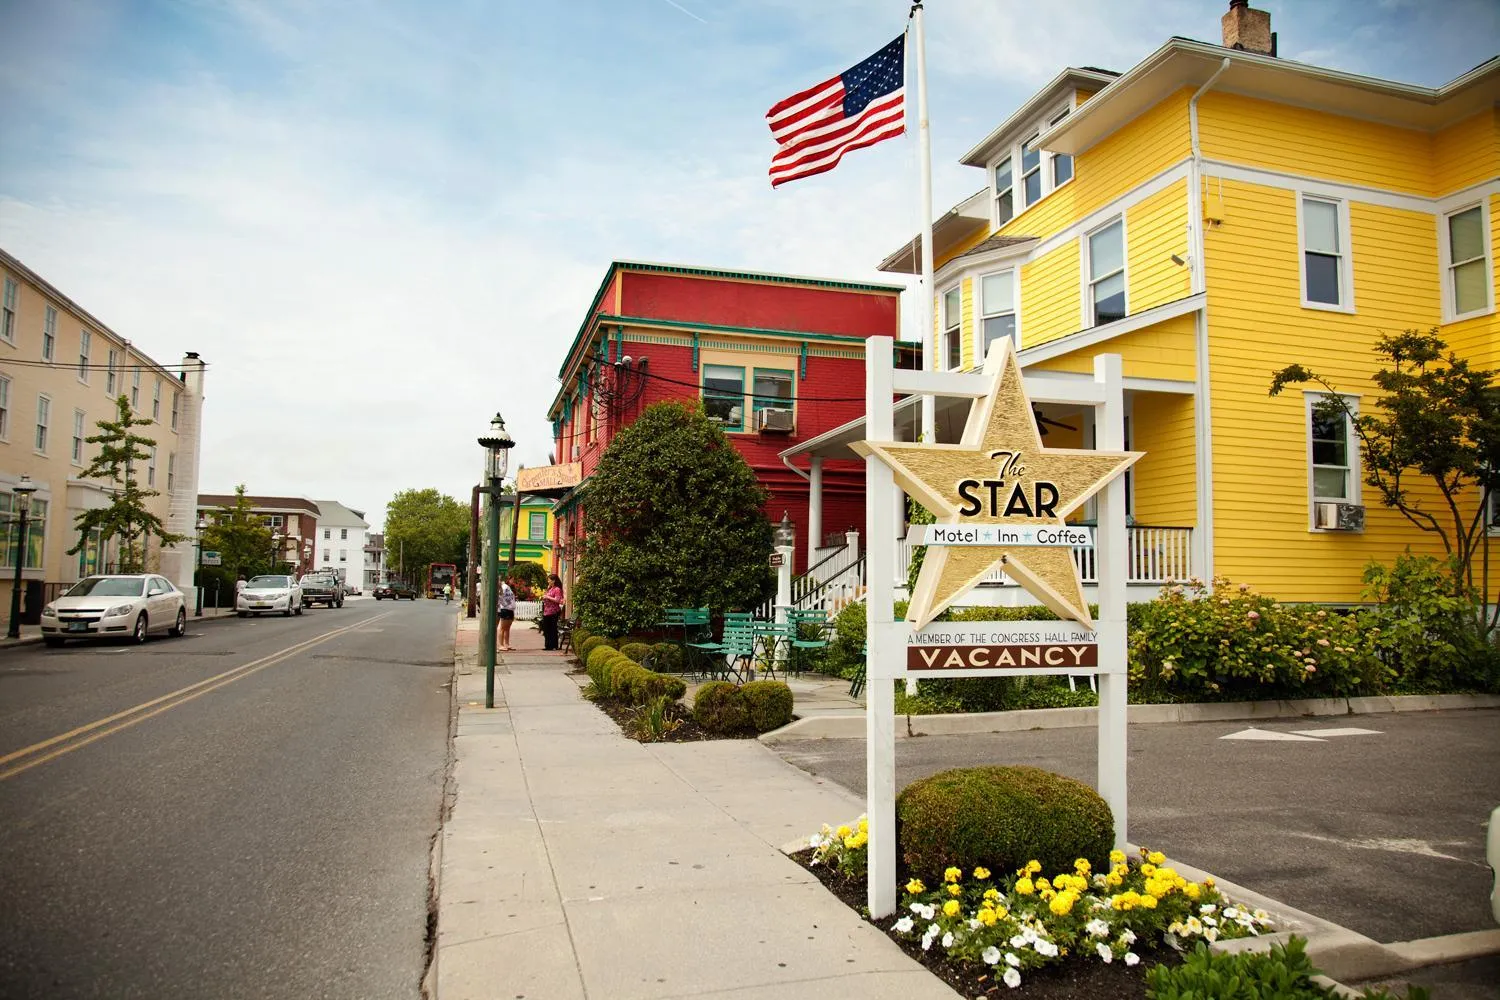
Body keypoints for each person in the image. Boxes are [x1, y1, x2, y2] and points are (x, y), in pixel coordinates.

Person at [540, 574, 564, 651]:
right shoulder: (550, 589)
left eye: (549, 579)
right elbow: (547, 597)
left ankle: (554, 646)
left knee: (552, 629)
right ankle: (548, 646)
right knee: (546, 629)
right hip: (547, 612)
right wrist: (543, 597)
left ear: (553, 581)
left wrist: (547, 597)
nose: (548, 581)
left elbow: (557, 600)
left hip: (553, 612)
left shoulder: (557, 589)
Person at [497, 577, 516, 651]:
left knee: (507, 628)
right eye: (512, 579)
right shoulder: (503, 587)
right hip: (505, 609)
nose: (513, 581)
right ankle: (501, 645)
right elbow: (500, 597)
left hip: (510, 609)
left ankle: (507, 644)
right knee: (502, 628)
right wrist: (504, 605)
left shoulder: (508, 587)